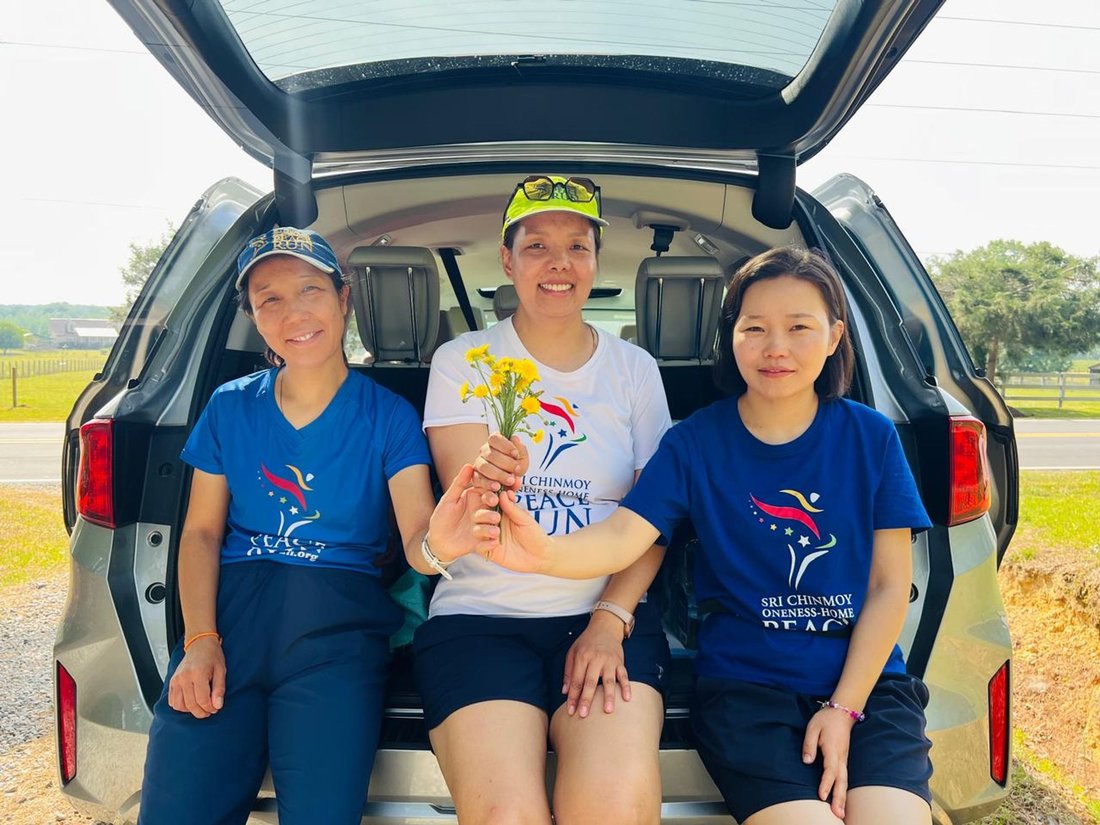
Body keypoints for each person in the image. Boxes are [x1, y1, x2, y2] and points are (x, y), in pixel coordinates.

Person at [477, 247, 935, 825]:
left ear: (834, 336)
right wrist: (544, 552)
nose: (776, 347)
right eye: (754, 328)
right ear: (731, 338)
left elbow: (889, 587)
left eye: (799, 328)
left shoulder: (871, 437)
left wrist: (844, 710)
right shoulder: (694, 442)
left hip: (867, 688)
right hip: (749, 692)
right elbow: (626, 535)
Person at [138, 227, 480, 825]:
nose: (293, 313)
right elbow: (201, 534)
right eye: (269, 299)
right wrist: (199, 641)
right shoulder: (229, 406)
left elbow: (417, 540)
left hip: (338, 635)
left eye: (310, 290)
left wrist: (440, 548)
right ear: (253, 317)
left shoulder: (390, 417)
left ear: (344, 299)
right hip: (230, 622)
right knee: (179, 806)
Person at [414, 175, 673, 823]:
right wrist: (488, 475)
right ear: (507, 261)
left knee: (614, 809)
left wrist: (609, 620)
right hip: (480, 619)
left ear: (595, 262)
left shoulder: (635, 370)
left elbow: (655, 519)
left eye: (577, 247)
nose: (559, 263)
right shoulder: (465, 360)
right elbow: (467, 508)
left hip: (605, 615)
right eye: (537, 246)